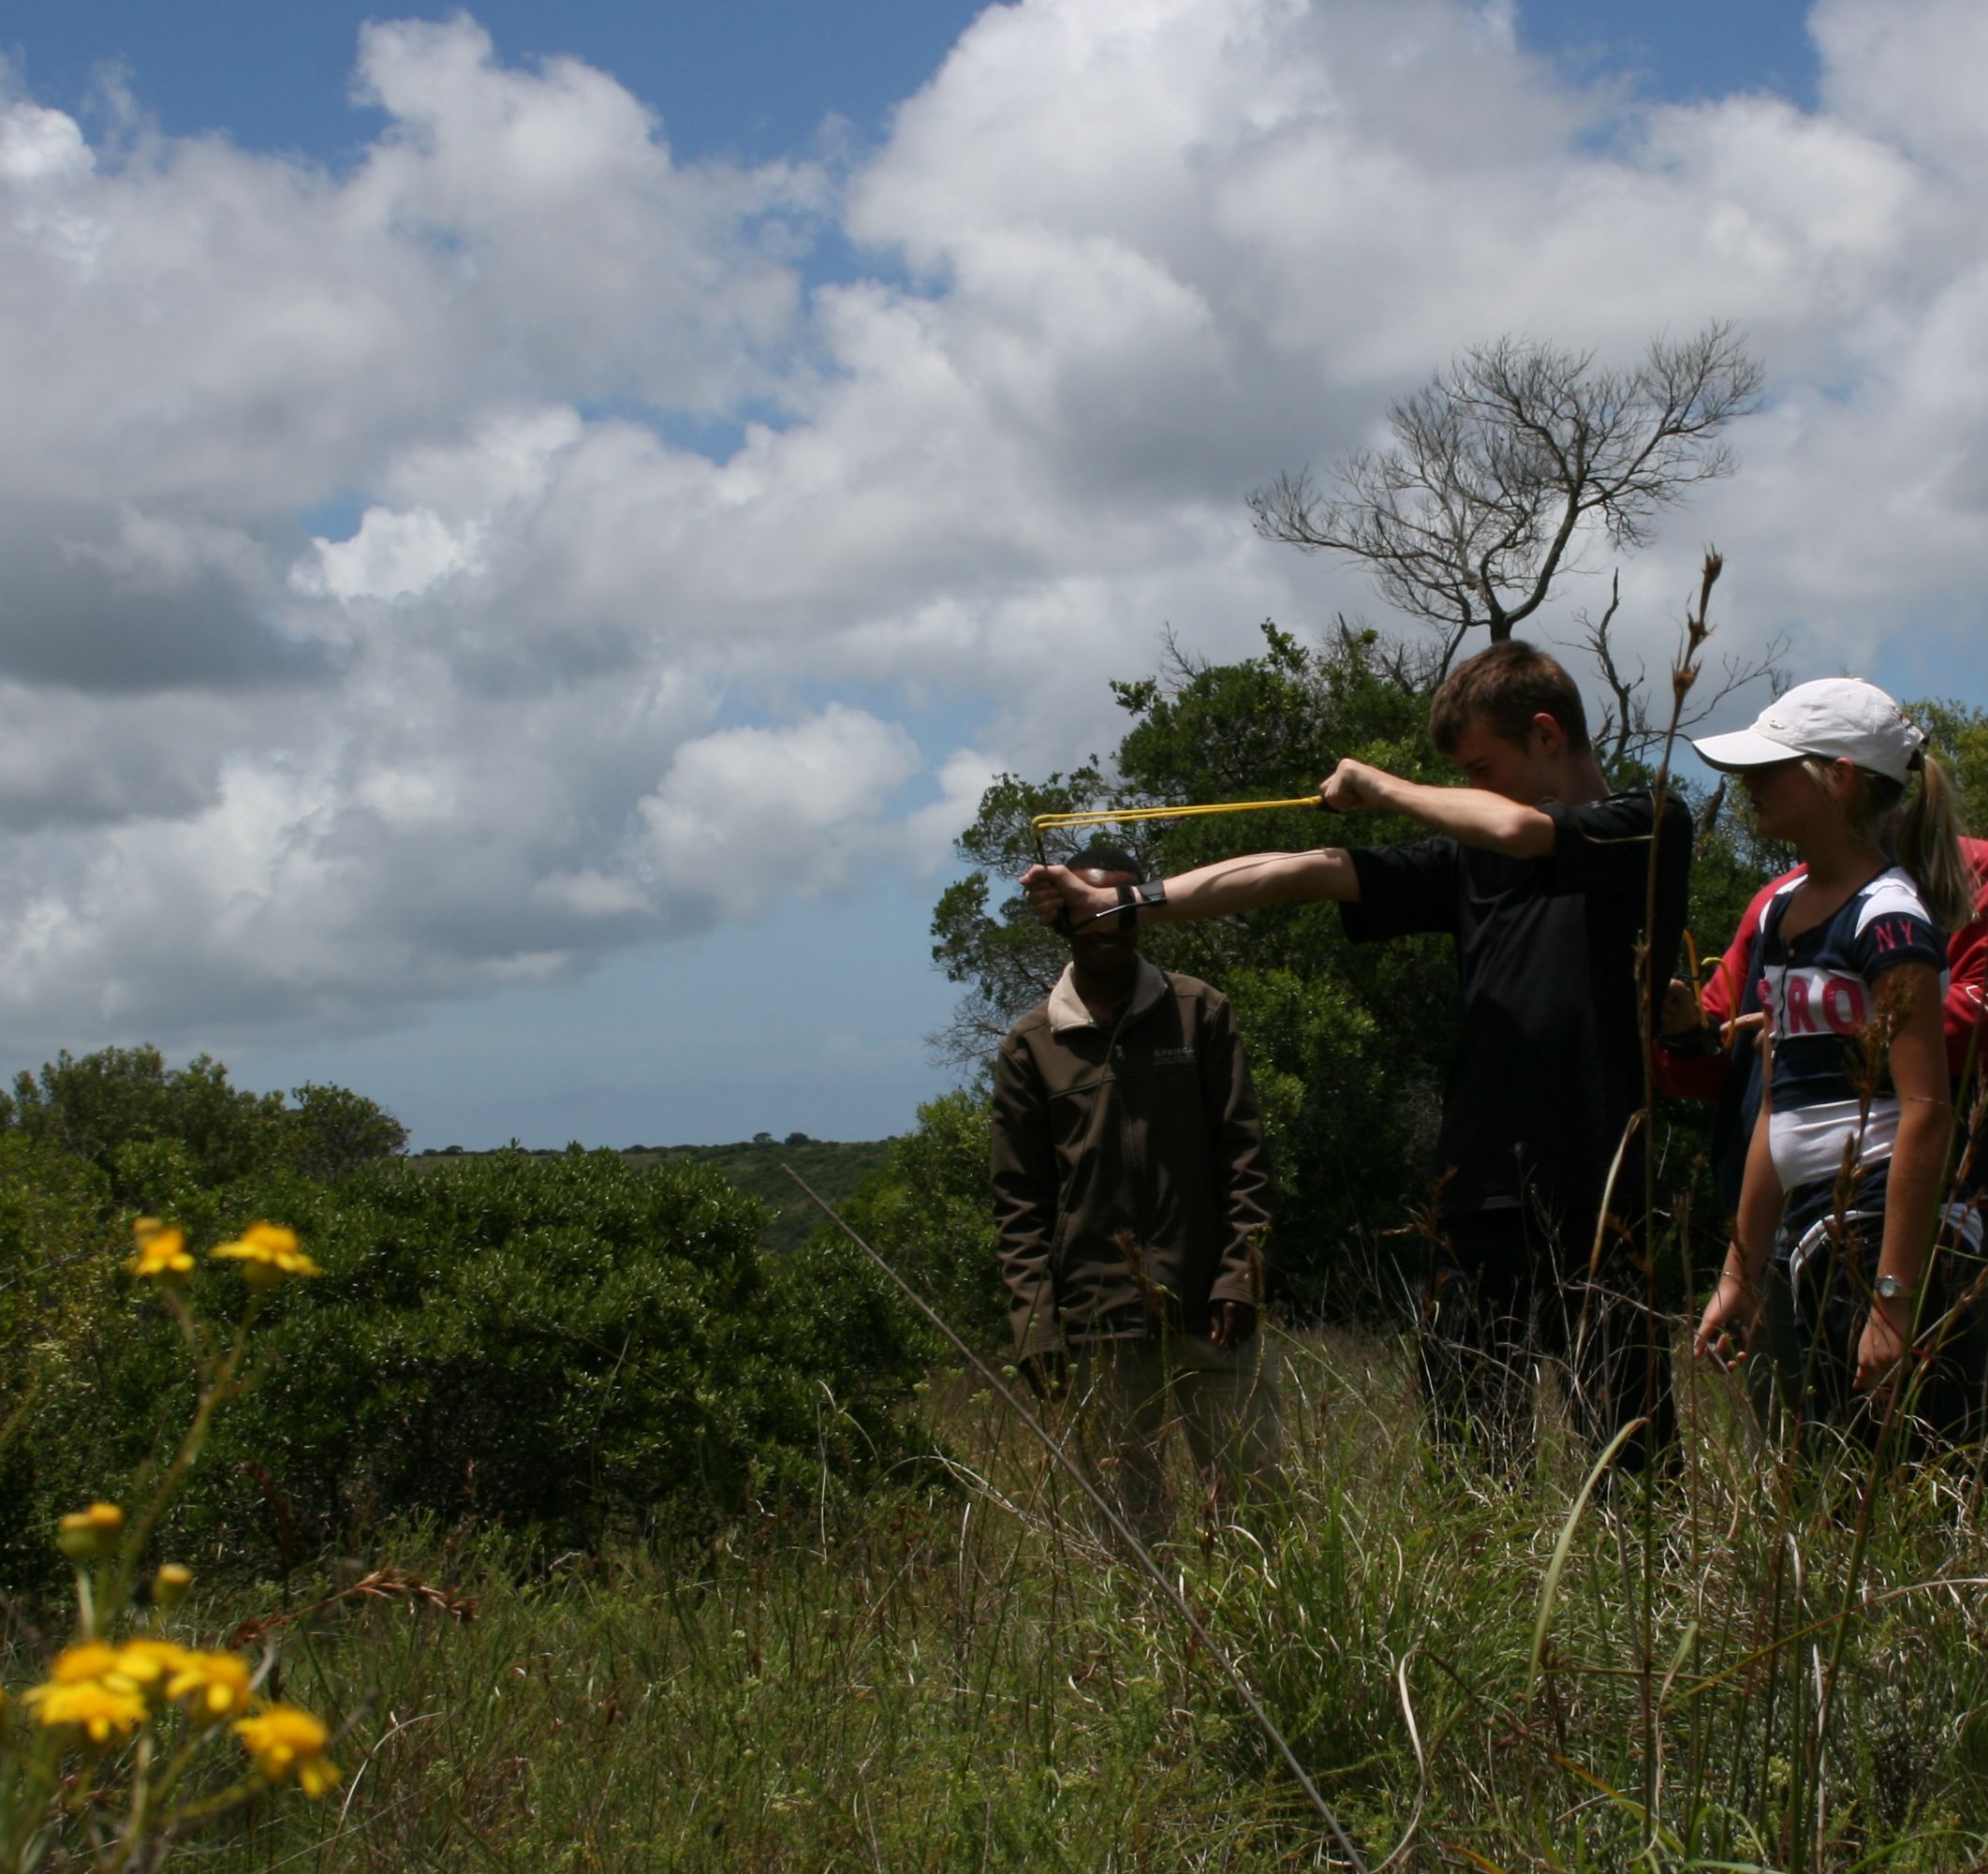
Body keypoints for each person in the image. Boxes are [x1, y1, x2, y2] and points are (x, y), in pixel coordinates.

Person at [1023, 641, 1690, 1472]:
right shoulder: (1469, 860)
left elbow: (1522, 828)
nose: (1469, 788)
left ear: (1546, 736)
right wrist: (1122, 905)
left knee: (1630, 1456)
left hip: (1599, 1192)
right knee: (1471, 1461)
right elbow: (1299, 872)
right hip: (1474, 1195)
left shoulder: (1647, 824)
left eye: (1479, 766)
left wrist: (1382, 788)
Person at [1688, 678, 1976, 1438]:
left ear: (1837, 778)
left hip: (1880, 1234)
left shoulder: (1887, 918)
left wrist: (1891, 1299)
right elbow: (1777, 1107)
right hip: (1814, 1235)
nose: (1748, 786)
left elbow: (1924, 1111)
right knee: (1828, 1475)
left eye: (1769, 769)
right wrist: (1738, 1273)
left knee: (1899, 1476)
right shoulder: (1783, 911)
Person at [991, 845, 1278, 1549]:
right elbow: (1018, 1201)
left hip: (1212, 1311)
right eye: (1089, 911)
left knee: (1256, 1515)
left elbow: (1245, 1157)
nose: (1105, 925)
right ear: (1062, 919)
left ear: (1141, 911)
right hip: (1099, 1326)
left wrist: (1240, 1277)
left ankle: (1268, 1651)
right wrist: (1036, 1326)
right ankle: (1152, 1656)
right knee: (1127, 1538)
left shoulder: (1198, 1011)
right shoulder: (1031, 1045)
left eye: (1121, 909)